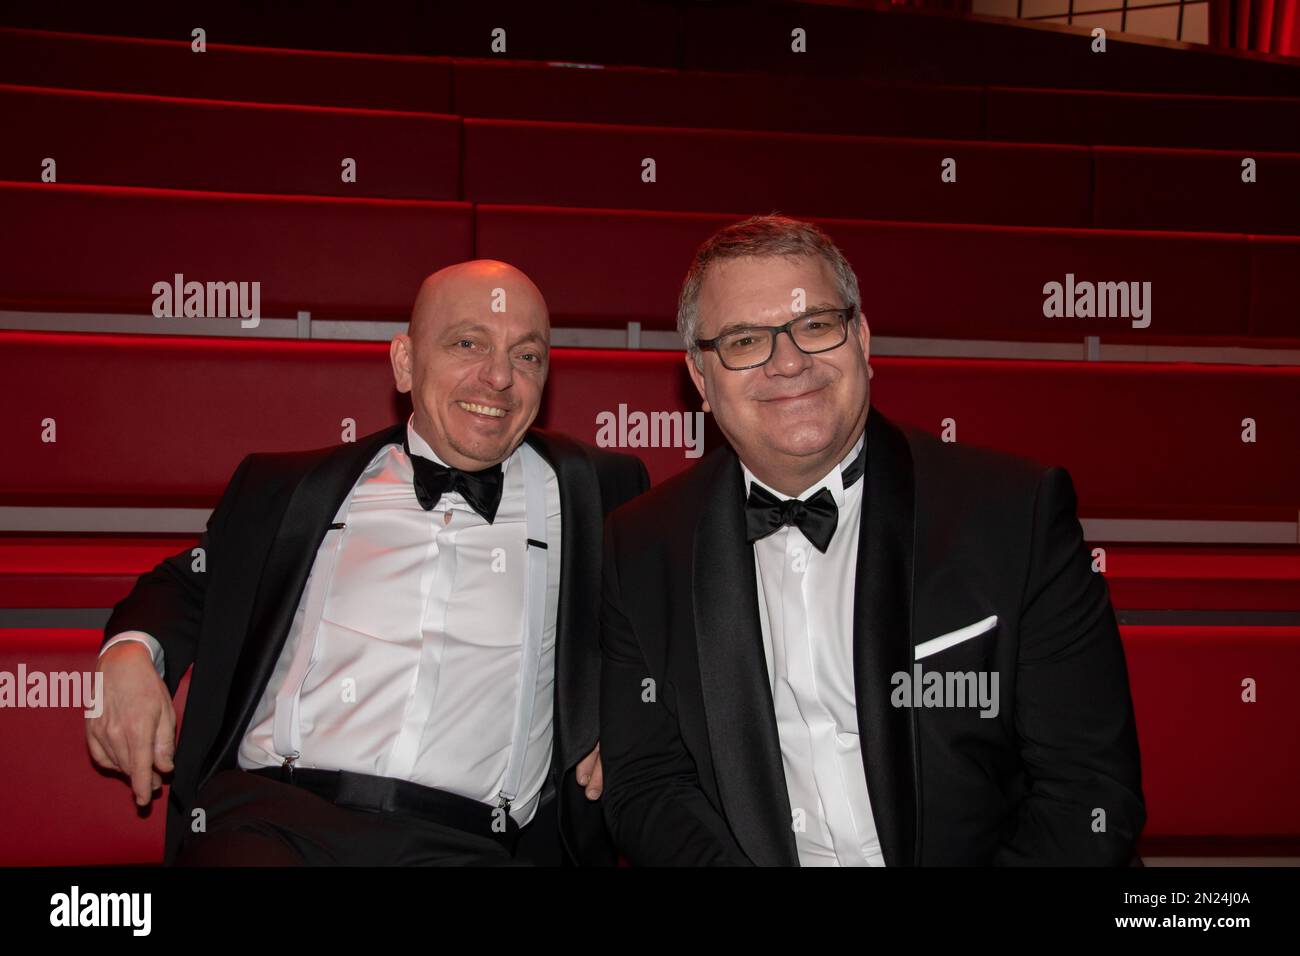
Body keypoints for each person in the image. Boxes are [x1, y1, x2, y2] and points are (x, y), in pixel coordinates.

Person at [599, 215, 1145, 866]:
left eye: (816, 325)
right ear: (701, 377)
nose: (790, 361)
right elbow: (648, 785)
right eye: (746, 340)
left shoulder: (1014, 514)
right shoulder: (639, 544)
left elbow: (1088, 791)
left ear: (861, 337)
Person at [88, 259, 648, 865]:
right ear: (405, 362)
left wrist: (631, 713)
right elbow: (188, 584)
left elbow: (667, 623)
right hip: (276, 824)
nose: (498, 378)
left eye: (527, 356)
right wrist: (129, 655)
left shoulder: (599, 492)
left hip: (471, 846)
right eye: (468, 343)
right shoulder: (286, 489)